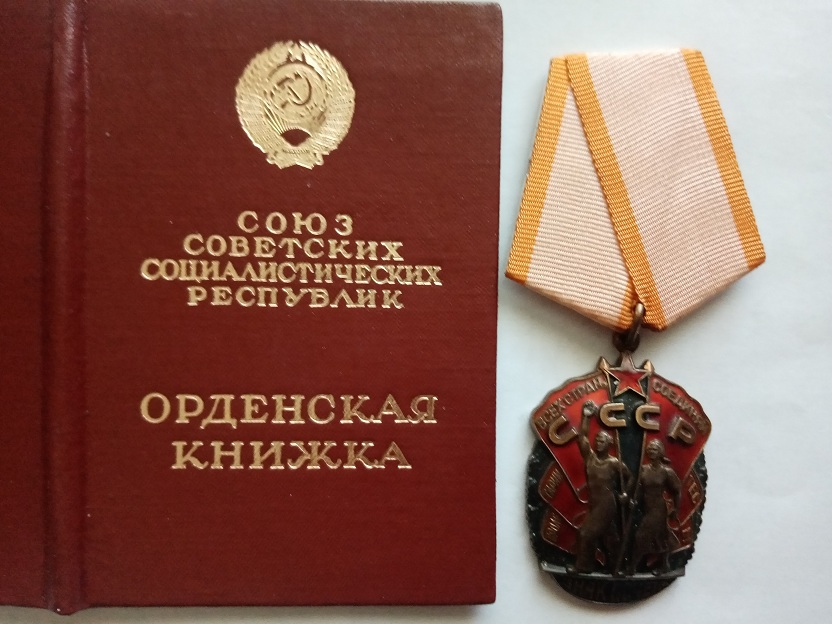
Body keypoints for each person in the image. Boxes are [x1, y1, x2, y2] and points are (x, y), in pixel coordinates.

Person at [571, 401, 632, 574]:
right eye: (597, 439)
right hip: (594, 503)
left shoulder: (614, 463)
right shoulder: (590, 458)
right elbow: (582, 437)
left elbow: (630, 478)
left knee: (586, 534)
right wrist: (586, 417)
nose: (598, 442)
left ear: (609, 443)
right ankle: (617, 567)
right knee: (610, 537)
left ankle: (584, 567)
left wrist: (625, 494)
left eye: (602, 440)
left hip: (607, 503)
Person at [627, 439, 682, 575]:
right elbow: (640, 490)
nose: (651, 451)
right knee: (660, 538)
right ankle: (665, 565)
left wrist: (676, 509)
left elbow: (677, 491)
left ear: (660, 452)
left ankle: (632, 567)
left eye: (655, 449)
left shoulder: (666, 472)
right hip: (647, 509)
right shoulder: (643, 469)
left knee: (641, 536)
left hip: (658, 510)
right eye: (650, 449)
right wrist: (634, 501)